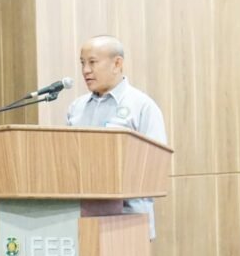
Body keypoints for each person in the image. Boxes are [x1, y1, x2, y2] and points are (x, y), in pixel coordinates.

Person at [66, 35, 167, 239]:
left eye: (93, 62)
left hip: (129, 219)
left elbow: (156, 166)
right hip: (82, 220)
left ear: (117, 64)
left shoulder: (142, 106)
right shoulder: (77, 108)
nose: (86, 70)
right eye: (82, 63)